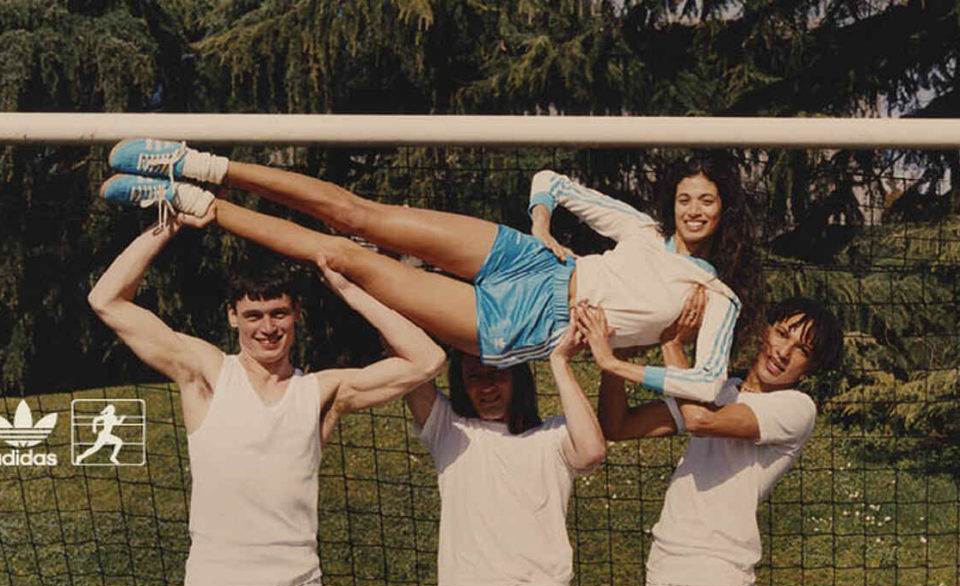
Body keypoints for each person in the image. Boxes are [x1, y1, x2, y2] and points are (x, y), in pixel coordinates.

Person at [101, 141, 760, 402]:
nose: (694, 209)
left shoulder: (717, 297)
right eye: (685, 198)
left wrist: (616, 366)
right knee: (360, 214)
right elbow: (551, 181)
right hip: (532, 262)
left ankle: (195, 206)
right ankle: (191, 162)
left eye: (708, 201)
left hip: (529, 322)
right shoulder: (642, 231)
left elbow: (706, 383)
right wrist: (540, 228)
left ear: (725, 211)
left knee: (348, 259)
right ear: (673, 202)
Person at [88, 193, 446, 586]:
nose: (267, 327)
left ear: (297, 315)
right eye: (253, 315)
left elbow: (427, 360)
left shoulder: (321, 392)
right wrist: (171, 223)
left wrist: (351, 290)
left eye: (279, 313)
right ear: (232, 317)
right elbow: (106, 300)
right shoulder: (206, 372)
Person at [575, 296, 843, 586]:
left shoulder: (797, 408)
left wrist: (662, 346)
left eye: (802, 349)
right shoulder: (719, 390)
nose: (783, 352)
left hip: (719, 573)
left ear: (810, 368)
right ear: (765, 330)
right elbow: (618, 426)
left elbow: (699, 419)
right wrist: (621, 347)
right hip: (666, 564)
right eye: (782, 333)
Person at [403, 316, 606, 586]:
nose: (486, 387)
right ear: (461, 383)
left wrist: (559, 361)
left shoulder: (551, 436)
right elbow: (405, 352)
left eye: (497, 375)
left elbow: (592, 451)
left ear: (517, 379)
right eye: (474, 377)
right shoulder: (449, 430)